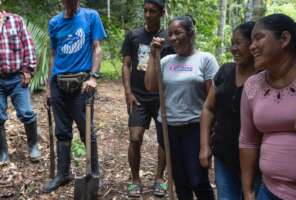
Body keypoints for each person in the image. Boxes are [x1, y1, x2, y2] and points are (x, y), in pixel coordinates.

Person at [145, 15, 219, 200]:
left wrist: (210, 133)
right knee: (179, 180)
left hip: (194, 127)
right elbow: (151, 86)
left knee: (197, 180)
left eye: (178, 32)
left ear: (191, 33)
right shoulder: (166, 61)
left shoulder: (205, 59)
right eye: (170, 34)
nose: (173, 38)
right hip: (168, 128)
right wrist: (154, 54)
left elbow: (213, 99)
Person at [43, 0, 106, 193]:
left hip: (82, 84)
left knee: (86, 128)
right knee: (62, 131)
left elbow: (97, 48)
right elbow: (53, 54)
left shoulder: (90, 16)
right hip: (58, 83)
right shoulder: (54, 22)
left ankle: (93, 174)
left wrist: (94, 77)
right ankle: (63, 174)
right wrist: (48, 86)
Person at [239, 13, 296, 200]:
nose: (252, 46)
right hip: (269, 191)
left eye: (258, 38)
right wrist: (248, 191)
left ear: (284, 39)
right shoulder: (252, 85)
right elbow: (247, 140)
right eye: (251, 40)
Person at [199, 22, 261, 200]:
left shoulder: (264, 76)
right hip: (224, 155)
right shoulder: (225, 71)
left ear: (253, 45)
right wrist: (204, 146)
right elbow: (208, 108)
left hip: (255, 162)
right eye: (232, 43)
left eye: (238, 43)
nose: (233, 48)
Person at [121, 0, 174, 197]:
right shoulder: (133, 36)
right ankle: (135, 179)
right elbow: (126, 64)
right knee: (135, 138)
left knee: (163, 140)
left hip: (161, 97)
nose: (148, 15)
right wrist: (128, 92)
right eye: (145, 11)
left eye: (152, 11)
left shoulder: (169, 38)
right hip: (138, 97)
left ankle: (159, 178)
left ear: (162, 13)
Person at [0, 8, 41, 165]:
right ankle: (3, 153)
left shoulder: (15, 20)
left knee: (26, 112)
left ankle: (33, 147)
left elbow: (27, 45)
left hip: (17, 77)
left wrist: (28, 70)